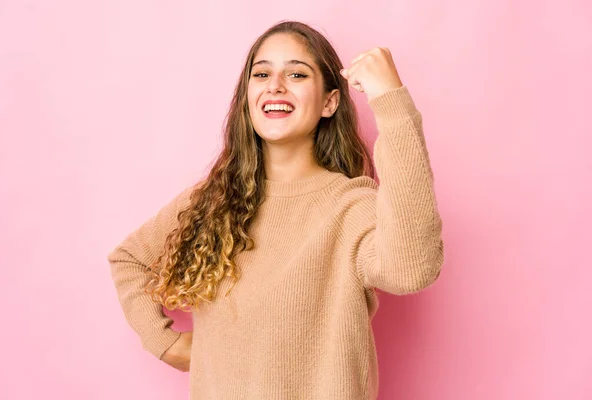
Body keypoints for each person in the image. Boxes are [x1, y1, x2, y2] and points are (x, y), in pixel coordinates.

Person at [108, 20, 444, 400]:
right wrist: (165, 343)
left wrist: (391, 101)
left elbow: (412, 269)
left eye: (296, 73)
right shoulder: (210, 200)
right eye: (262, 73)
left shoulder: (351, 207)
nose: (275, 85)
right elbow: (128, 259)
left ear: (330, 102)